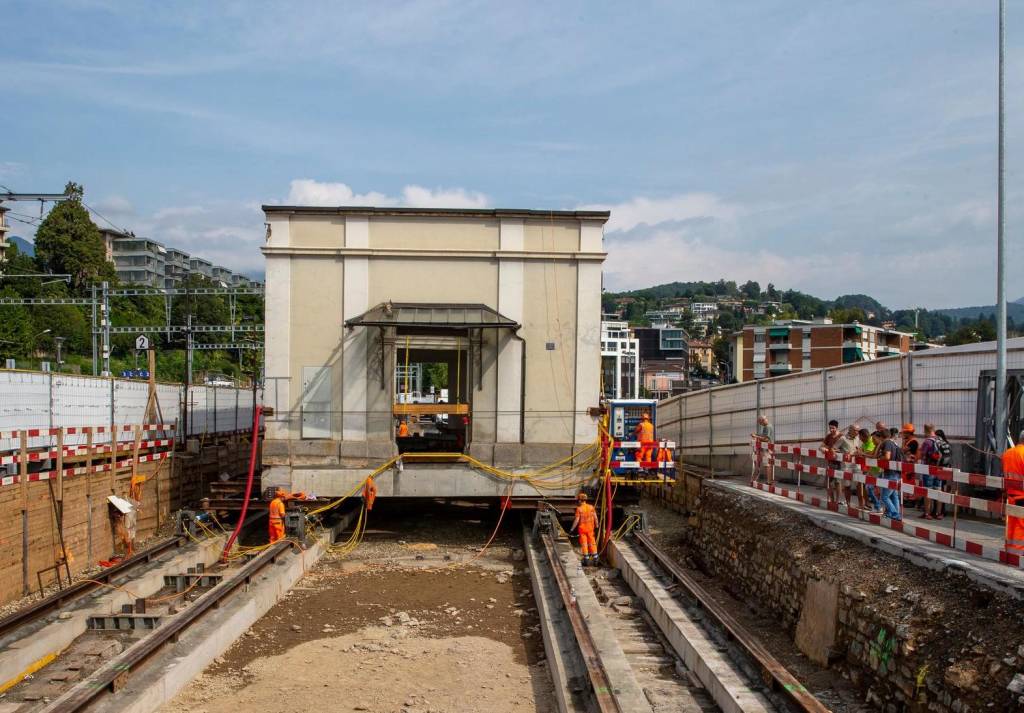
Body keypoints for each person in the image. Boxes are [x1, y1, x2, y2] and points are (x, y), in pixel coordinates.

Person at [1002, 431, 1024, 553]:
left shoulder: (1007, 453)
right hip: (1022, 496)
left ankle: (1010, 550)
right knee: (1021, 527)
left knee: (1011, 525)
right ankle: (1019, 552)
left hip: (1010, 496)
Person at [918, 424, 945, 520]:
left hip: (929, 469)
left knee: (927, 491)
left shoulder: (927, 442)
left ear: (926, 430)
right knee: (938, 490)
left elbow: (921, 456)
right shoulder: (940, 440)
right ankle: (938, 513)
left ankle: (927, 513)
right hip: (940, 469)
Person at [876, 430, 904, 521]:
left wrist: (880, 458)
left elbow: (887, 457)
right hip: (897, 473)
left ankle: (895, 515)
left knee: (884, 497)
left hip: (890, 473)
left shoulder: (887, 443)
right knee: (894, 495)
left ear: (881, 437)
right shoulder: (894, 443)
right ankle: (896, 514)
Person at [833, 425, 859, 508]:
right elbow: (833, 448)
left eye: (858, 430)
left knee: (860, 484)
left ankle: (862, 505)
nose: (857, 432)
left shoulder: (857, 438)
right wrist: (841, 453)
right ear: (850, 430)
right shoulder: (843, 438)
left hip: (857, 465)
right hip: (846, 466)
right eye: (855, 430)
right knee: (847, 486)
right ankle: (848, 504)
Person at [571, 490, 598, 566]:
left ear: (580, 500)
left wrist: (572, 529)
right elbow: (595, 518)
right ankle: (596, 558)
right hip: (590, 529)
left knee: (584, 544)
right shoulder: (591, 507)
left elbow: (576, 520)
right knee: (592, 543)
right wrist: (597, 526)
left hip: (582, 530)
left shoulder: (579, 509)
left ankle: (586, 559)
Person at [857, 428, 882, 512]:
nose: (860, 439)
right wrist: (862, 453)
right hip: (871, 470)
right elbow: (860, 451)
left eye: (860, 437)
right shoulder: (865, 442)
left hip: (879, 470)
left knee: (879, 490)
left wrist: (863, 454)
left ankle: (880, 507)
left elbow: (871, 455)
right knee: (869, 488)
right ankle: (877, 506)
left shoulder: (873, 442)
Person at [821, 420, 842, 504]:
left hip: (839, 463)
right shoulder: (828, 436)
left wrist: (836, 451)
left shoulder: (841, 437)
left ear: (837, 428)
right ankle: (832, 500)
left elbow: (844, 449)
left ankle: (837, 500)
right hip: (830, 462)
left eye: (833, 428)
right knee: (828, 482)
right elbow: (821, 446)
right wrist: (824, 449)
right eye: (830, 428)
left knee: (838, 482)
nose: (831, 430)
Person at [751, 415, 775, 484]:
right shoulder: (767, 426)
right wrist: (757, 435)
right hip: (767, 448)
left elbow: (766, 439)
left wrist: (756, 436)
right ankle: (769, 480)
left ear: (762, 421)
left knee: (767, 464)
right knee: (767, 464)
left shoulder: (767, 427)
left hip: (766, 448)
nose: (760, 424)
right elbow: (764, 436)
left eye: (760, 423)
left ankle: (769, 481)